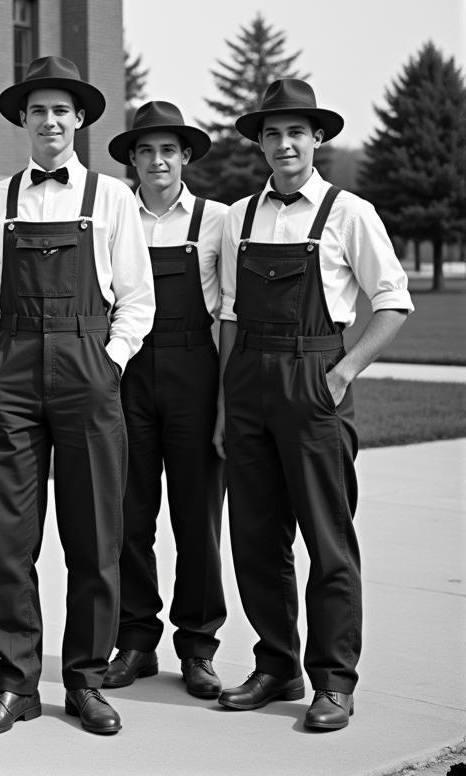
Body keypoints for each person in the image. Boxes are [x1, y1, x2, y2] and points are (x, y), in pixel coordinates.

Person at [214, 78, 412, 731]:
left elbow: (392, 302)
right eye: (272, 133)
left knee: (328, 540)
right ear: (261, 144)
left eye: (296, 132)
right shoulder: (239, 216)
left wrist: (346, 369)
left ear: (317, 138)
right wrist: (224, 401)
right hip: (247, 385)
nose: (284, 144)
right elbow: (232, 317)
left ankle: (333, 681)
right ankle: (277, 666)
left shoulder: (349, 212)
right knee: (255, 538)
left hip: (315, 378)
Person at [0, 55, 155, 737]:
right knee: (9, 538)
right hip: (12, 371)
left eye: (61, 110)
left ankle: (85, 679)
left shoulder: (111, 199)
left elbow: (136, 299)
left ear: (79, 119)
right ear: (24, 119)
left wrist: (109, 363)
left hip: (88, 369)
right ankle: (16, 683)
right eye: (38, 109)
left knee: (94, 537)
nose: (49, 120)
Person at [104, 101, 227, 699]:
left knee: (197, 516)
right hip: (127, 372)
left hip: (194, 375)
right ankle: (134, 641)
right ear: (132, 159)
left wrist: (227, 398)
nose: (157, 160)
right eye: (146, 150)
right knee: (129, 515)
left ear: (185, 157)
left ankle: (199, 646)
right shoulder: (109, 214)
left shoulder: (218, 221)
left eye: (168, 150)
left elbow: (231, 314)